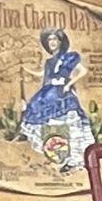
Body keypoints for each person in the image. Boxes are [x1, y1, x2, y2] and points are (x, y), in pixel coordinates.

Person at [19, 28, 92, 173]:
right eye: (49, 40)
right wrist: (26, 70)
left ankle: (75, 159)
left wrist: (69, 84)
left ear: (60, 41)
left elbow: (83, 71)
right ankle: (54, 154)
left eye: (55, 39)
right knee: (36, 111)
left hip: (62, 93)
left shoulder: (68, 57)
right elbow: (43, 74)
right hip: (48, 93)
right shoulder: (49, 62)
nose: (52, 42)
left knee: (71, 124)